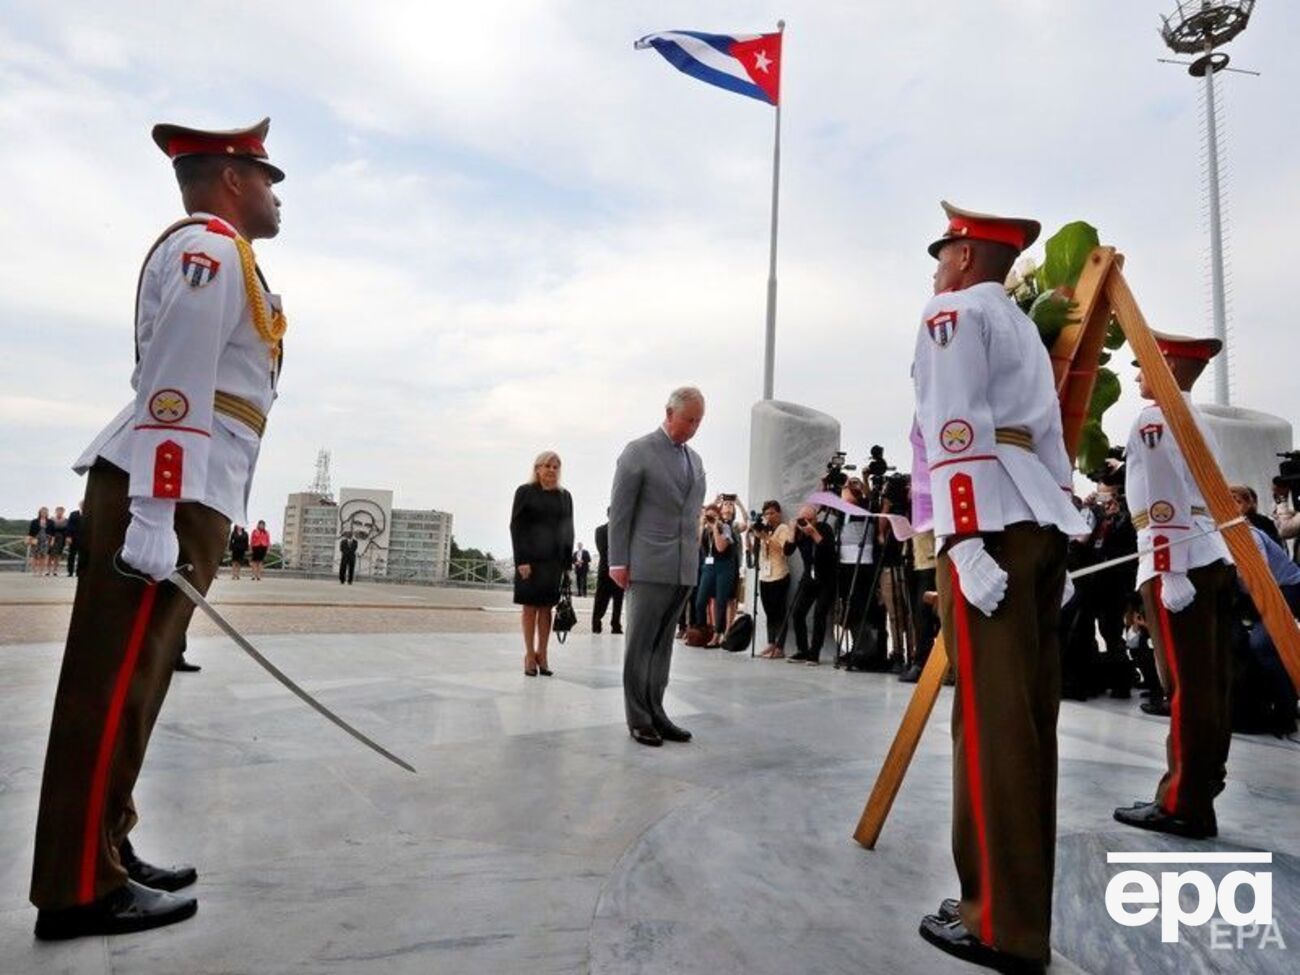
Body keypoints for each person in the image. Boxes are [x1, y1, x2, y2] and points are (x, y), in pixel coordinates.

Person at [29, 116, 287, 940]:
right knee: (107, 691)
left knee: (137, 686)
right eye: (267, 178)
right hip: (167, 489)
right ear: (233, 181)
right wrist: (154, 506)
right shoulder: (208, 249)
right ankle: (77, 889)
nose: (277, 194)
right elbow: (173, 381)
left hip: (191, 487)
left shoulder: (222, 252)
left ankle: (107, 842)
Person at [913, 201, 1086, 974]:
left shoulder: (952, 314)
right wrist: (1062, 533)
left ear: (966, 255)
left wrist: (961, 536)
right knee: (1028, 726)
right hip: (1037, 520)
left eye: (943, 250)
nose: (937, 264)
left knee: (990, 730)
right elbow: (1049, 442)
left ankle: (999, 925)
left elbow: (954, 426)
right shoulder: (1020, 326)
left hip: (989, 522)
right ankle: (1014, 905)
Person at [1113, 331, 1235, 841]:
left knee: (1185, 688)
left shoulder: (1156, 418)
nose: (1138, 374)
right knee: (1208, 687)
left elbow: (1162, 503)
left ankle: (1183, 801)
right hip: (1208, 555)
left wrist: (1169, 569)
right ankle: (1196, 788)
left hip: (1180, 560)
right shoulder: (1193, 415)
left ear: (1168, 366)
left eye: (1145, 364)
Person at [609, 386, 707, 747]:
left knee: (663, 646)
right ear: (669, 413)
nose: (694, 427)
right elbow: (620, 511)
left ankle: (657, 710)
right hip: (647, 564)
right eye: (689, 419)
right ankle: (638, 717)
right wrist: (618, 560)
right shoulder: (638, 452)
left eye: (699, 421)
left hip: (683, 566)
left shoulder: (695, 460)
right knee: (640, 645)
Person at [510, 451, 575, 677]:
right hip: (529, 561)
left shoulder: (565, 496)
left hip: (553, 562)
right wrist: (522, 561)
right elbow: (517, 528)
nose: (551, 470)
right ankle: (529, 655)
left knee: (547, 609)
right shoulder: (525, 492)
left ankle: (543, 654)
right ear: (537, 468)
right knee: (529, 608)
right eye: (547, 465)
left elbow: (568, 530)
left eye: (556, 466)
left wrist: (567, 563)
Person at [786, 504, 838, 665]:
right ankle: (803, 650)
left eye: (809, 520)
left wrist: (813, 532)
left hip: (827, 578)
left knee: (819, 615)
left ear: (815, 519)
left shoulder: (824, 528)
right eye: (803, 520)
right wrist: (792, 532)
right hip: (809, 577)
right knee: (798, 613)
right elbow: (787, 551)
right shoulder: (798, 532)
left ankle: (814, 653)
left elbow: (829, 550)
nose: (806, 523)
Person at [751, 500, 795, 658]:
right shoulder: (765, 529)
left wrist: (766, 538)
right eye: (766, 514)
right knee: (769, 612)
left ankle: (780, 647)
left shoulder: (783, 528)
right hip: (765, 576)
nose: (768, 516)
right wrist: (755, 535)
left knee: (780, 612)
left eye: (771, 513)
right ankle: (771, 643)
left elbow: (784, 550)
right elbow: (755, 551)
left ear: (779, 513)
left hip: (779, 575)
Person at [693, 502, 738, 647]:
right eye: (708, 516)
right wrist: (701, 525)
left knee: (720, 602)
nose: (710, 519)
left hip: (724, 567)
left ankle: (718, 635)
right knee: (700, 601)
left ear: (718, 517)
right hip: (709, 567)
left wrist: (715, 528)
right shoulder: (704, 529)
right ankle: (702, 630)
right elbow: (697, 546)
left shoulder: (725, 527)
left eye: (714, 516)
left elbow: (720, 548)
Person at [592, 514, 624, 634]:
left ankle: (616, 625)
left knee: (618, 600)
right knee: (600, 599)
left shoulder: (622, 531)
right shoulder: (600, 530)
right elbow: (603, 550)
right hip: (606, 570)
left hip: (618, 570)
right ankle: (596, 624)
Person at [27, 507, 52, 575]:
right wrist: (29, 539)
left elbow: (52, 533)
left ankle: (41, 572)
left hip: (45, 540)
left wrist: (52, 540)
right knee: (34, 555)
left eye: (45, 512)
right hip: (35, 539)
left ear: (47, 513)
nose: (44, 513)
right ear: (39, 513)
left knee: (43, 556)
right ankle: (34, 571)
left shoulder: (50, 521)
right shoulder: (34, 521)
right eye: (42, 512)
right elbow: (30, 532)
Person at [49, 507, 70, 577]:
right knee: (50, 554)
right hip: (52, 538)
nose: (60, 512)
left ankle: (55, 570)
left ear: (63, 512)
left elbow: (67, 531)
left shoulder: (66, 520)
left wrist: (67, 540)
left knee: (58, 555)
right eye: (58, 511)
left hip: (61, 538)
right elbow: (49, 529)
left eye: (61, 511)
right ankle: (48, 570)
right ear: (56, 511)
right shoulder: (52, 519)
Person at [65, 503, 83, 577]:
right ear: (80, 505)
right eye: (82, 504)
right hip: (73, 537)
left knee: (82, 556)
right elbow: (69, 525)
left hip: (84, 538)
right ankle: (70, 572)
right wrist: (68, 536)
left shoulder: (90, 513)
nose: (84, 505)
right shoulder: (73, 514)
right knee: (71, 555)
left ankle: (79, 572)